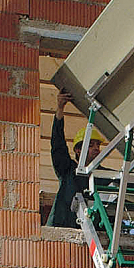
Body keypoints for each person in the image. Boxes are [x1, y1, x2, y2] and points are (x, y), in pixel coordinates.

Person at [48, 90, 106, 227]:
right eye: (91, 145)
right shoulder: (68, 170)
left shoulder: (103, 176)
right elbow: (58, 145)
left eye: (98, 145)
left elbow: (127, 182)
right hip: (62, 229)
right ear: (78, 150)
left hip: (88, 234)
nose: (96, 148)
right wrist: (60, 109)